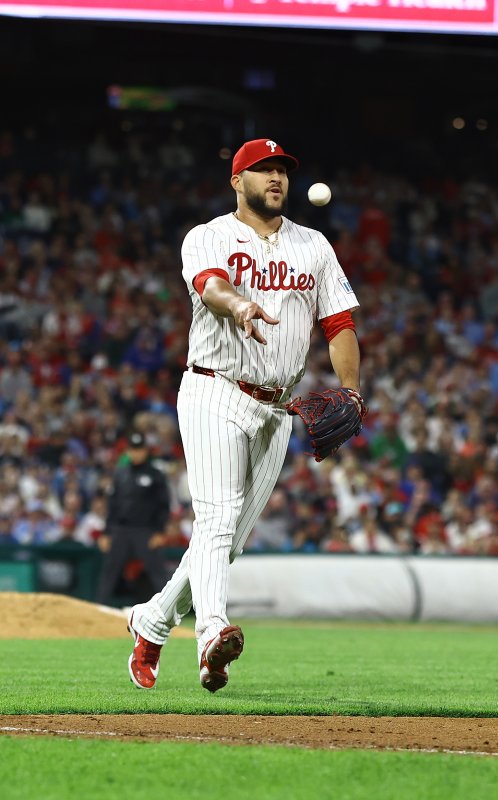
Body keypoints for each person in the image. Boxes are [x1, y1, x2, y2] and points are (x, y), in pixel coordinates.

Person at [126, 138, 362, 692]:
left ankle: (154, 618)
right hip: (215, 388)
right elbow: (210, 286)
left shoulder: (315, 246)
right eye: (263, 169)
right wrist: (239, 305)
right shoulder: (207, 235)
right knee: (216, 517)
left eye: (282, 170)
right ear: (238, 181)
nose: (276, 177)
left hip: (278, 405)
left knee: (229, 541)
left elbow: (340, 325)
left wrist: (350, 391)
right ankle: (210, 633)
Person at [95, 432, 171, 607]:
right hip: (121, 530)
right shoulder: (120, 474)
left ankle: (168, 611)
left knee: (158, 574)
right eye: (133, 449)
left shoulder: (155, 474)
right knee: (109, 572)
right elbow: (113, 506)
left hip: (146, 530)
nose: (136, 453)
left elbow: (163, 505)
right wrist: (106, 533)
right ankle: (100, 611)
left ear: (146, 451)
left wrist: (160, 531)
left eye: (139, 449)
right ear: (128, 450)